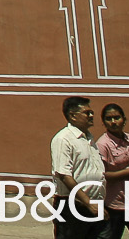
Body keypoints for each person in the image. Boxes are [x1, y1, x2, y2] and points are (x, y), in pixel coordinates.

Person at [49, 96, 105, 239]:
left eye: (91, 112)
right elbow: (64, 175)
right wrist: (88, 202)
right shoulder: (64, 139)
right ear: (73, 116)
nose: (91, 115)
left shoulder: (88, 138)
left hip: (92, 204)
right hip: (72, 205)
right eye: (87, 113)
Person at [95, 102, 129, 239]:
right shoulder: (102, 144)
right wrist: (128, 173)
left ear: (124, 119)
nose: (113, 122)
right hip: (115, 205)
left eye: (117, 117)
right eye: (109, 119)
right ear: (104, 122)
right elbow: (101, 176)